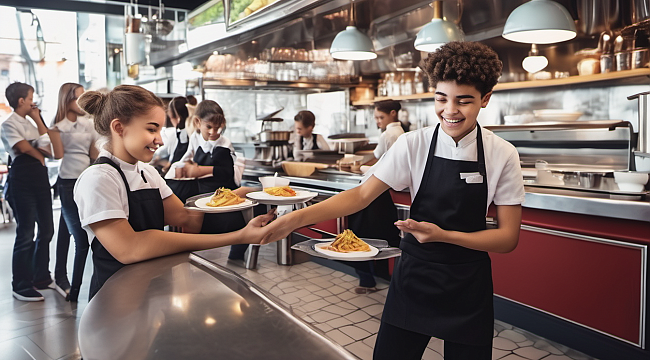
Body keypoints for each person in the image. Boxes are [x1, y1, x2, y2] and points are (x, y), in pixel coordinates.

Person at [260, 41, 525, 360]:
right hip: (415, 277)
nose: (450, 110)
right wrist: (293, 219)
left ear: (485, 99)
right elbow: (360, 195)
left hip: (468, 283)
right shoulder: (413, 144)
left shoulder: (502, 154)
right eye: (441, 99)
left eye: (463, 101)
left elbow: (507, 238)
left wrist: (443, 235)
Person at [73, 85, 273, 300]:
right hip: (115, 299)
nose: (160, 140)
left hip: (153, 291)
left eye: (160, 130)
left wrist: (244, 200)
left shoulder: (148, 173)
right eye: (151, 129)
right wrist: (238, 236)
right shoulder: (99, 179)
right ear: (119, 128)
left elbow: (188, 219)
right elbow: (131, 248)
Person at [1, 82, 55, 301]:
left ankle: (41, 276)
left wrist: (38, 119)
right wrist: (39, 153)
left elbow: (49, 146)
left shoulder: (32, 122)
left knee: (47, 230)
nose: (34, 101)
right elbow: (21, 148)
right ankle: (21, 284)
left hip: (40, 178)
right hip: (22, 179)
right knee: (26, 233)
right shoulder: (8, 124)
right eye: (31, 97)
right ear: (22, 100)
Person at [346, 100, 405, 294]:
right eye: (376, 118)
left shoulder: (389, 134)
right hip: (390, 189)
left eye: (381, 117)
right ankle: (385, 277)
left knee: (362, 234)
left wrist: (357, 166)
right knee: (385, 237)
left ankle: (367, 280)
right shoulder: (402, 133)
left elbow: (378, 160)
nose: (378, 121)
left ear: (393, 114)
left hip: (377, 190)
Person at [49, 82, 99, 301]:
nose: (81, 103)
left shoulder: (88, 124)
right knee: (80, 237)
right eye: (77, 97)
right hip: (67, 182)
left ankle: (59, 274)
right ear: (66, 99)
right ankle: (74, 291)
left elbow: (93, 154)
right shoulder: (56, 125)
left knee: (65, 230)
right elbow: (56, 154)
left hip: (85, 180)